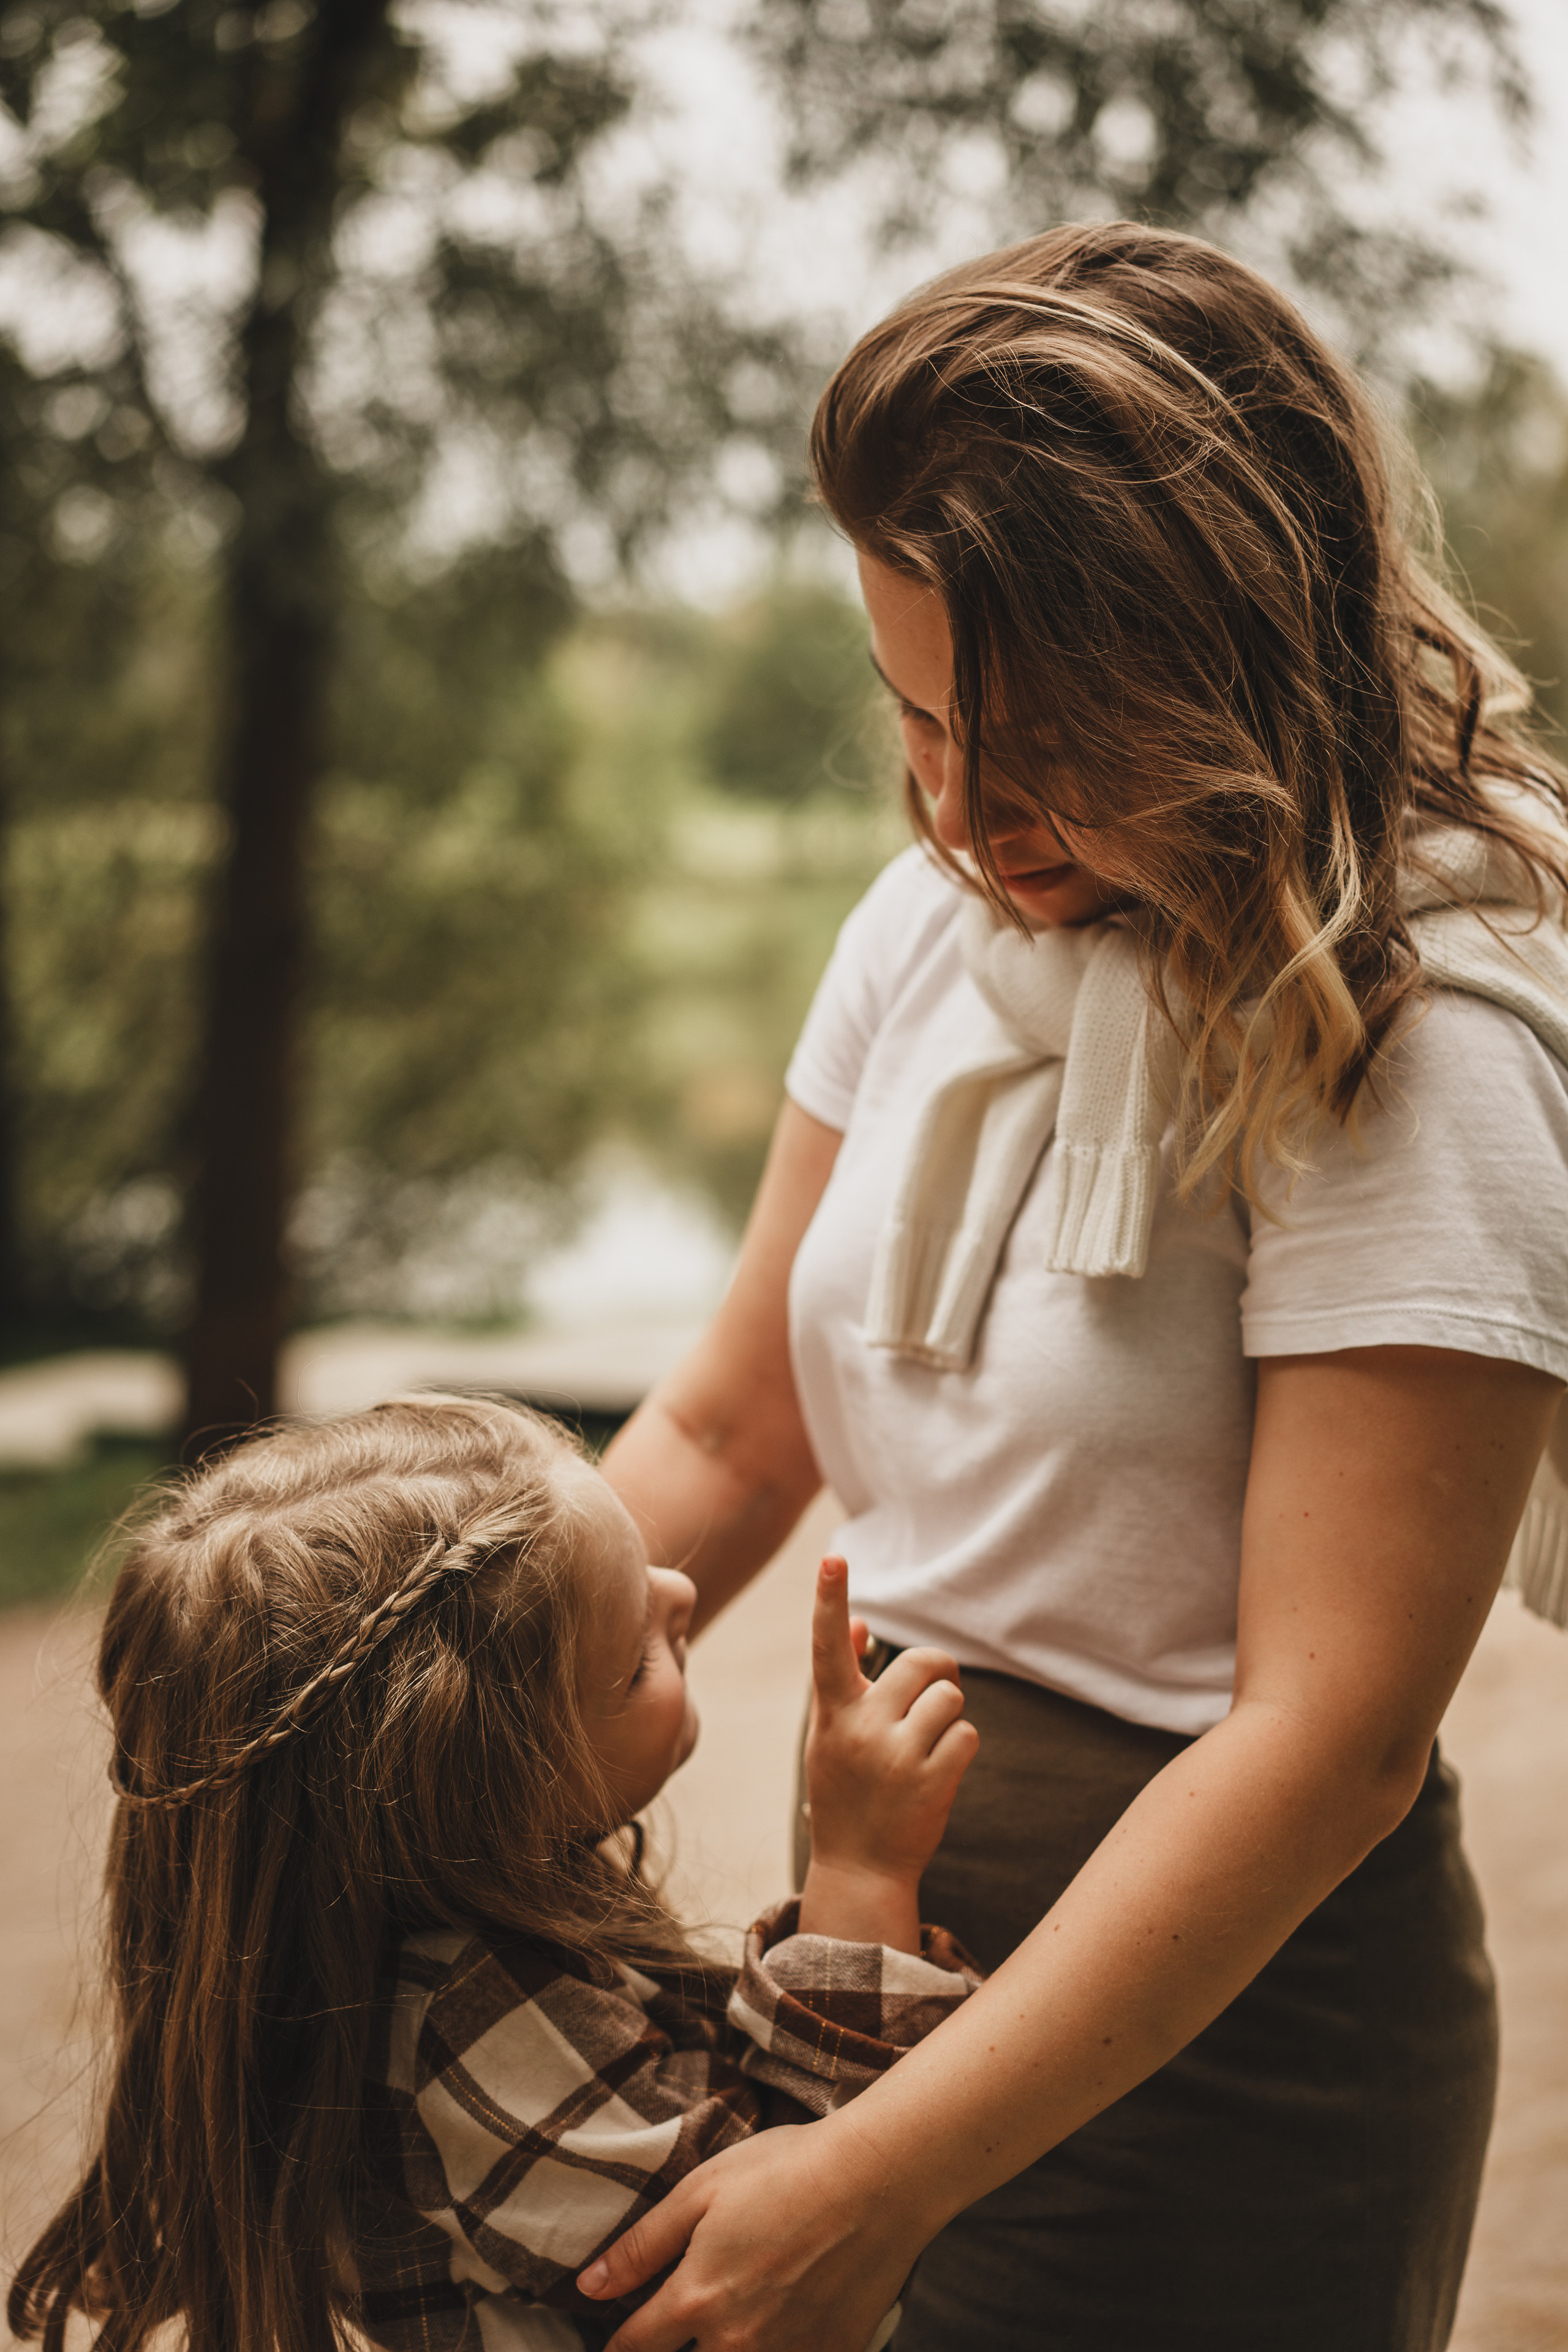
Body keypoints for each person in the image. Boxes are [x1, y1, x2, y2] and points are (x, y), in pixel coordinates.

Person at [576, 222, 1568, 2352]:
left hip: (1219, 2059)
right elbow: (733, 1432)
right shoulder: (928, 931)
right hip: (872, 1976)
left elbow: (1329, 1742)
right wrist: (409, 1719)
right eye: (916, 720)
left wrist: (872, 2177)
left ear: (1222, 659)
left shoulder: (1417, 1031)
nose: (957, 810)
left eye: (1036, 737)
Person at [7, 1394, 981, 2352]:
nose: (683, 1593)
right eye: (636, 1658)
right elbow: (786, 2255)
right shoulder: (474, 2021)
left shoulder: (413, 1920)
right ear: (492, 1797)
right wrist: (862, 1864)